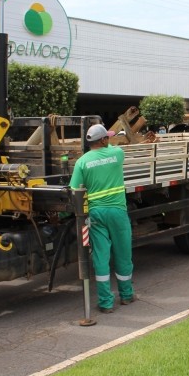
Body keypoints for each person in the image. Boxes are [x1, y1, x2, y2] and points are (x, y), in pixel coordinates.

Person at [70, 123, 136, 313]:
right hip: (117, 211)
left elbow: (75, 190)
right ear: (104, 140)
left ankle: (106, 303)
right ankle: (126, 295)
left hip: (96, 213)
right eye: (108, 137)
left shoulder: (81, 162)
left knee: (100, 256)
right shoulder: (117, 154)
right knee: (123, 254)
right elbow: (116, 147)